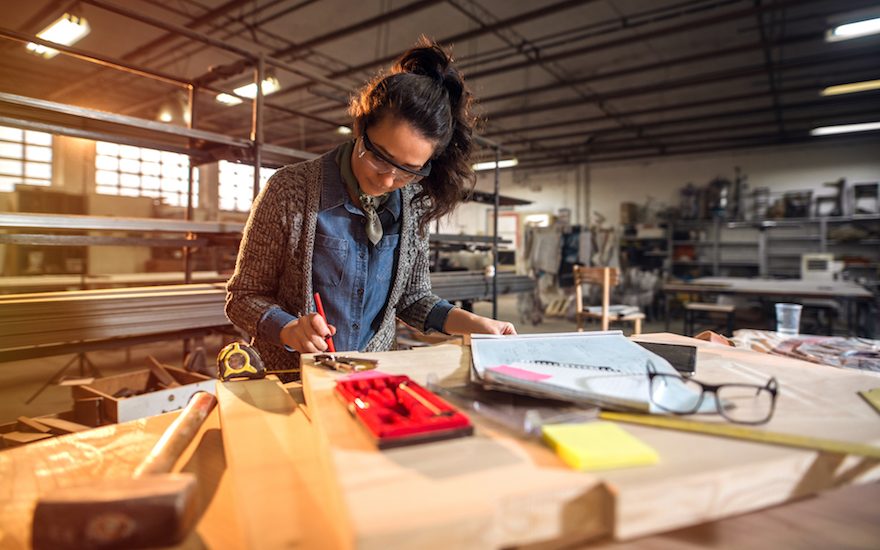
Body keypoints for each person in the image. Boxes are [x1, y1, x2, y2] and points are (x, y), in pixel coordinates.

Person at [225, 38, 516, 376]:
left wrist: (473, 323)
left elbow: (413, 299)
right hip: (292, 378)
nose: (389, 179)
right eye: (380, 157)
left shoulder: (414, 204)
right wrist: (289, 328)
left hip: (372, 375)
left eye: (408, 169)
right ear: (360, 129)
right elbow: (243, 297)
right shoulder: (290, 190)